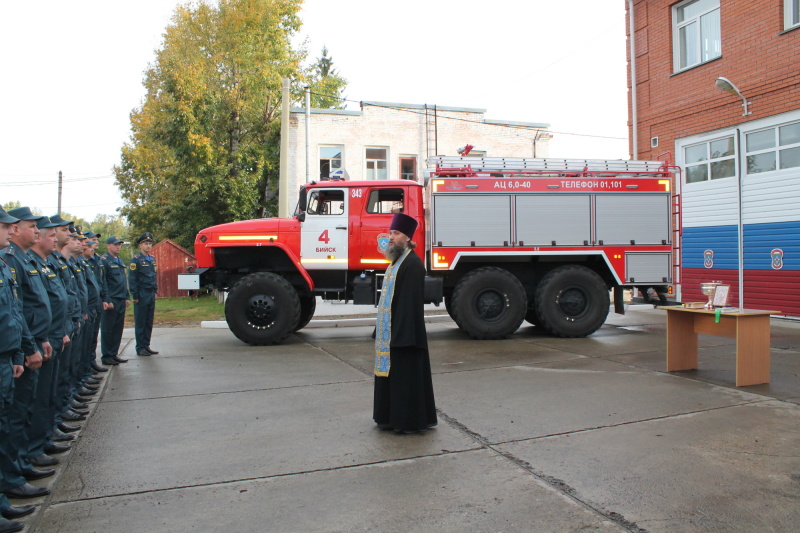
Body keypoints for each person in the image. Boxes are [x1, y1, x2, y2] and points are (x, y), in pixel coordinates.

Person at [373, 213, 437, 433]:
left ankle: (407, 422)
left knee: (406, 379)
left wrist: (400, 337)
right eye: (391, 232)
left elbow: (410, 305)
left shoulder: (413, 264)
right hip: (394, 332)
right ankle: (390, 418)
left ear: (408, 237)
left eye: (396, 233)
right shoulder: (396, 262)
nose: (391, 237)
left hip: (404, 335)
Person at [0, 207, 33, 533]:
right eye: (6, 227)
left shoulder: (5, 265)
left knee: (12, 418)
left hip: (11, 355)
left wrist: (23, 350)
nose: (10, 232)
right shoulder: (12, 263)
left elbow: (15, 311)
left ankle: (13, 478)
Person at [99, 237, 129, 365]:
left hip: (121, 298)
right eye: (115, 244)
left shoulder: (120, 261)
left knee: (118, 328)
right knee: (108, 328)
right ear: (108, 245)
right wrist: (107, 299)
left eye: (120, 245)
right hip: (112, 299)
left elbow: (123, 280)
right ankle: (106, 355)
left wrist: (127, 296)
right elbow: (103, 281)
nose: (118, 247)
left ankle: (114, 353)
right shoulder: (104, 261)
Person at [129, 232, 159, 357]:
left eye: (149, 243)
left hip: (150, 293)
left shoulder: (152, 259)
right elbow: (132, 279)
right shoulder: (136, 260)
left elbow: (153, 276)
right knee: (141, 321)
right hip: (141, 294)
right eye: (145, 244)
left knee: (148, 321)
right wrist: (135, 295)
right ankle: (140, 347)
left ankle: (146, 345)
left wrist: (155, 290)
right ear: (140, 245)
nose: (148, 246)